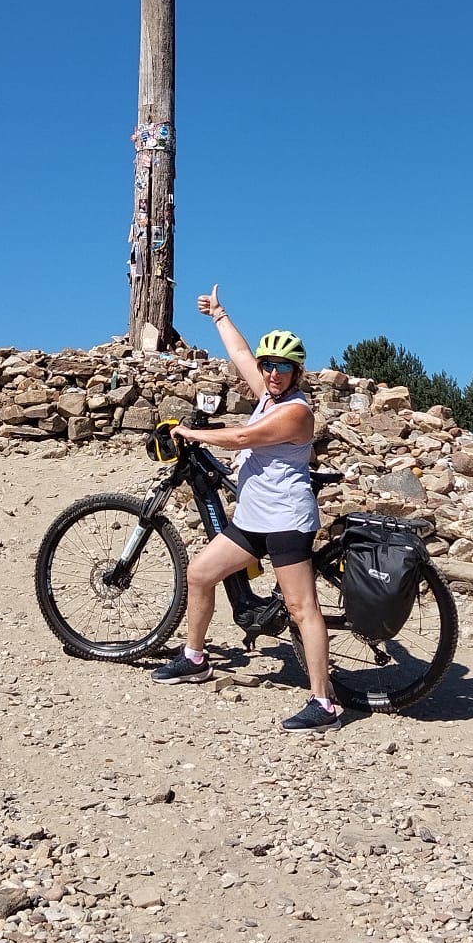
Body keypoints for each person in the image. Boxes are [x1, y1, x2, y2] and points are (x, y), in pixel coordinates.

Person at [151, 286, 341, 732]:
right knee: (200, 574)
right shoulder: (267, 396)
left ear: (297, 372)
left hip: (287, 520)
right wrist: (219, 314)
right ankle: (194, 658)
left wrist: (190, 433)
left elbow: (241, 438)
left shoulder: (296, 412)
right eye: (268, 365)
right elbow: (239, 352)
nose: (273, 373)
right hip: (254, 518)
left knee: (302, 607)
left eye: (283, 367)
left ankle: (324, 703)